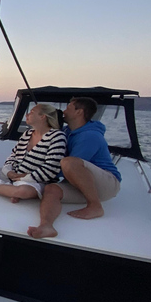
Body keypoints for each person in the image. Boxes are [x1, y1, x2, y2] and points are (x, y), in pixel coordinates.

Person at [28, 97, 122, 239]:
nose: (63, 112)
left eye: (68, 108)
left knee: (68, 162)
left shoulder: (90, 136)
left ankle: (95, 206)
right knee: (51, 189)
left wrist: (35, 175)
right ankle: (46, 226)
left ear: (79, 112)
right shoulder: (66, 132)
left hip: (106, 184)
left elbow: (66, 167)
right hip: (79, 182)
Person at [0, 104, 66, 201]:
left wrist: (25, 178)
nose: (27, 115)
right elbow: (13, 156)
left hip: (35, 180)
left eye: (31, 112)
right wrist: (9, 172)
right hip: (13, 175)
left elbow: (51, 168)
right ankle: (9, 190)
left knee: (23, 191)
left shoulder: (57, 136)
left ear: (42, 116)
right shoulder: (27, 134)